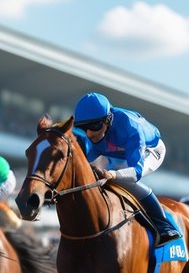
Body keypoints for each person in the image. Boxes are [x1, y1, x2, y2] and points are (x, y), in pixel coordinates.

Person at [71, 91, 179, 242]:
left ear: (108, 120)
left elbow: (136, 172)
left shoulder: (131, 127)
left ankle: (165, 226)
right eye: (83, 128)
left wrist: (113, 175)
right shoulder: (96, 133)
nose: (89, 134)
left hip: (151, 150)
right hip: (116, 150)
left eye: (94, 126)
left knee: (124, 181)